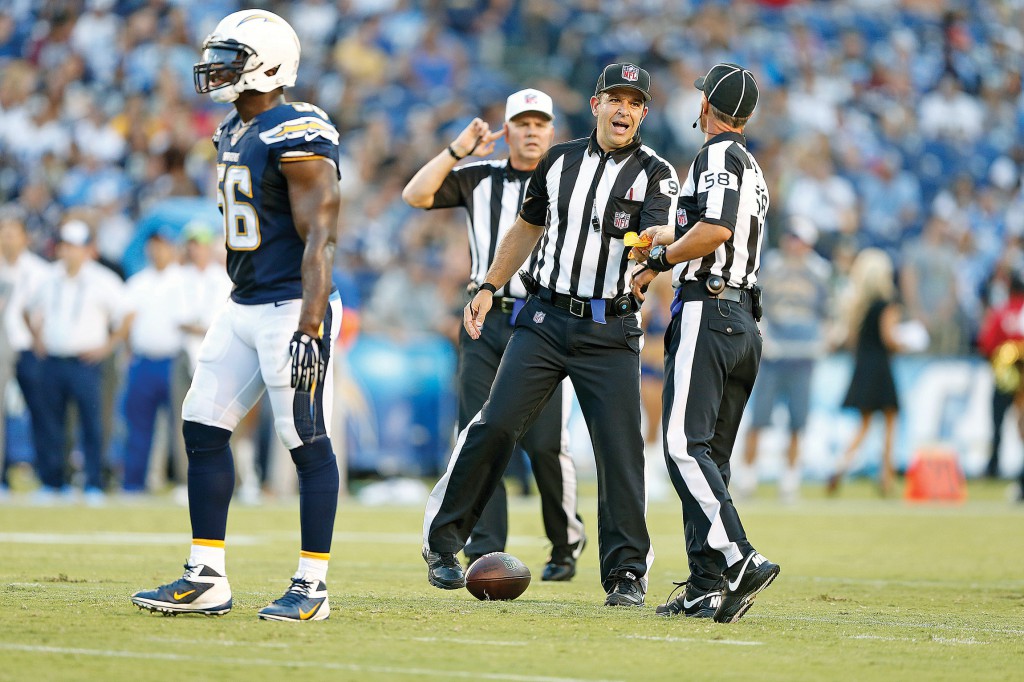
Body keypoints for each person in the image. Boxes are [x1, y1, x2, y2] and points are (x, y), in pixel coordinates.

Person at [422, 63, 678, 607]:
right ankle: (444, 544)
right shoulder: (558, 161)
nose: (624, 110)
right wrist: (489, 285)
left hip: (610, 326)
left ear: (644, 113)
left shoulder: (657, 173)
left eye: (634, 102)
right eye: (616, 98)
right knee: (493, 425)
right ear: (596, 104)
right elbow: (527, 227)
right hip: (542, 318)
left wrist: (650, 257)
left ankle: (627, 572)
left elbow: (663, 232)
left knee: (619, 451)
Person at [131, 9, 343, 622]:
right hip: (243, 300)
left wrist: (310, 320)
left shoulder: (296, 130)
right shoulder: (231, 127)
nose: (216, 67)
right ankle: (207, 576)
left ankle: (313, 585)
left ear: (268, 63)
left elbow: (321, 235)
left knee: (303, 437)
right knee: (201, 425)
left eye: (231, 56)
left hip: (290, 306)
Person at [402, 88, 586, 580]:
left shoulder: (570, 179)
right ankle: (482, 549)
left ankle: (565, 544)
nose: (531, 132)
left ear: (552, 132)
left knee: (547, 444)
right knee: (479, 435)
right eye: (521, 124)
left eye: (539, 124)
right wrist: (458, 150)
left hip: (545, 319)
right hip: (486, 319)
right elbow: (415, 195)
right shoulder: (481, 178)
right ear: (507, 130)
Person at [630, 63, 780, 623]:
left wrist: (658, 261)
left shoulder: (715, 156)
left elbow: (714, 229)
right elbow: (715, 224)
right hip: (742, 320)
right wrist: (664, 234)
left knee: (680, 447)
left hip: (709, 310)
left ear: (708, 107)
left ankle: (739, 559)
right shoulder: (749, 164)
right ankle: (705, 585)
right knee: (709, 457)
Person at [25, 219, 129, 505]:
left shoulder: (103, 279)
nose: (68, 252)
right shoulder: (47, 277)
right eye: (65, 246)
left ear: (87, 250)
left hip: (87, 361)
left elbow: (126, 314)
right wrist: (36, 338)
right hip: (53, 359)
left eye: (74, 247)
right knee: (51, 423)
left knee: (92, 424)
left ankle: (94, 482)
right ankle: (52, 481)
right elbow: (28, 309)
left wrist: (107, 346)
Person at [738, 217, 831, 503]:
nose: (794, 243)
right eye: (791, 237)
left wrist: (825, 340)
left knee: (797, 422)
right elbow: (754, 305)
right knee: (758, 418)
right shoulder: (772, 266)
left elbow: (830, 312)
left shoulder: (820, 272)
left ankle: (789, 482)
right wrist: (761, 337)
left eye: (799, 238)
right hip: (774, 354)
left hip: (803, 355)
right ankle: (747, 479)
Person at [827, 248, 903, 497]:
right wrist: (907, 343)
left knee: (864, 424)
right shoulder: (887, 305)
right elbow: (889, 339)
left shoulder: (857, 306)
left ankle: (841, 465)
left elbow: (850, 340)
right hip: (881, 367)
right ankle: (886, 477)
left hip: (862, 366)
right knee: (890, 423)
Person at [119, 226, 184, 494]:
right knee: (138, 425)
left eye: (164, 245)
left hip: (176, 360)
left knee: (183, 427)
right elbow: (126, 321)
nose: (158, 251)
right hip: (144, 361)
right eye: (154, 245)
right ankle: (133, 483)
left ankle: (184, 482)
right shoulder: (138, 281)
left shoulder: (184, 280)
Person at [0, 209, 50, 495]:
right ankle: (3, 478)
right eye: (3, 232)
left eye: (12, 232)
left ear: (24, 237)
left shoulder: (40, 271)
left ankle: (49, 477)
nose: (7, 238)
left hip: (30, 348)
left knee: (42, 414)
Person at [976, 268, 1024, 496]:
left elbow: (986, 343)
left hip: (1005, 376)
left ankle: (993, 466)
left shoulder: (1001, 312)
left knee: (998, 423)